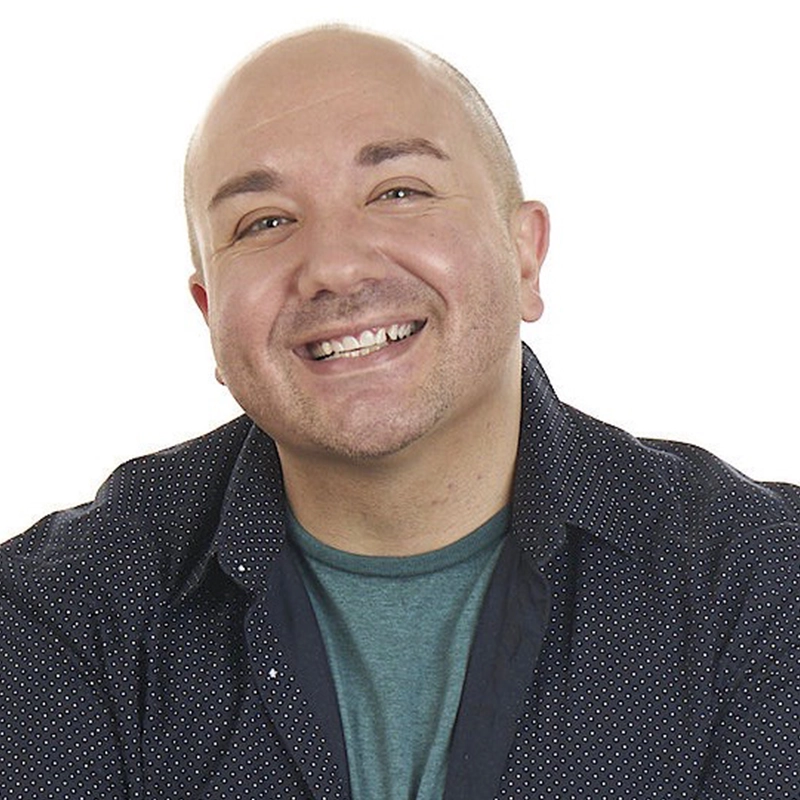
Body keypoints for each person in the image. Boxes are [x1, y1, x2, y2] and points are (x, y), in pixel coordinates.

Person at [1, 25, 798, 800]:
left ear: (525, 254)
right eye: (265, 222)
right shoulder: (59, 614)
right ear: (210, 313)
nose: (335, 266)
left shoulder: (762, 580)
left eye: (399, 191)